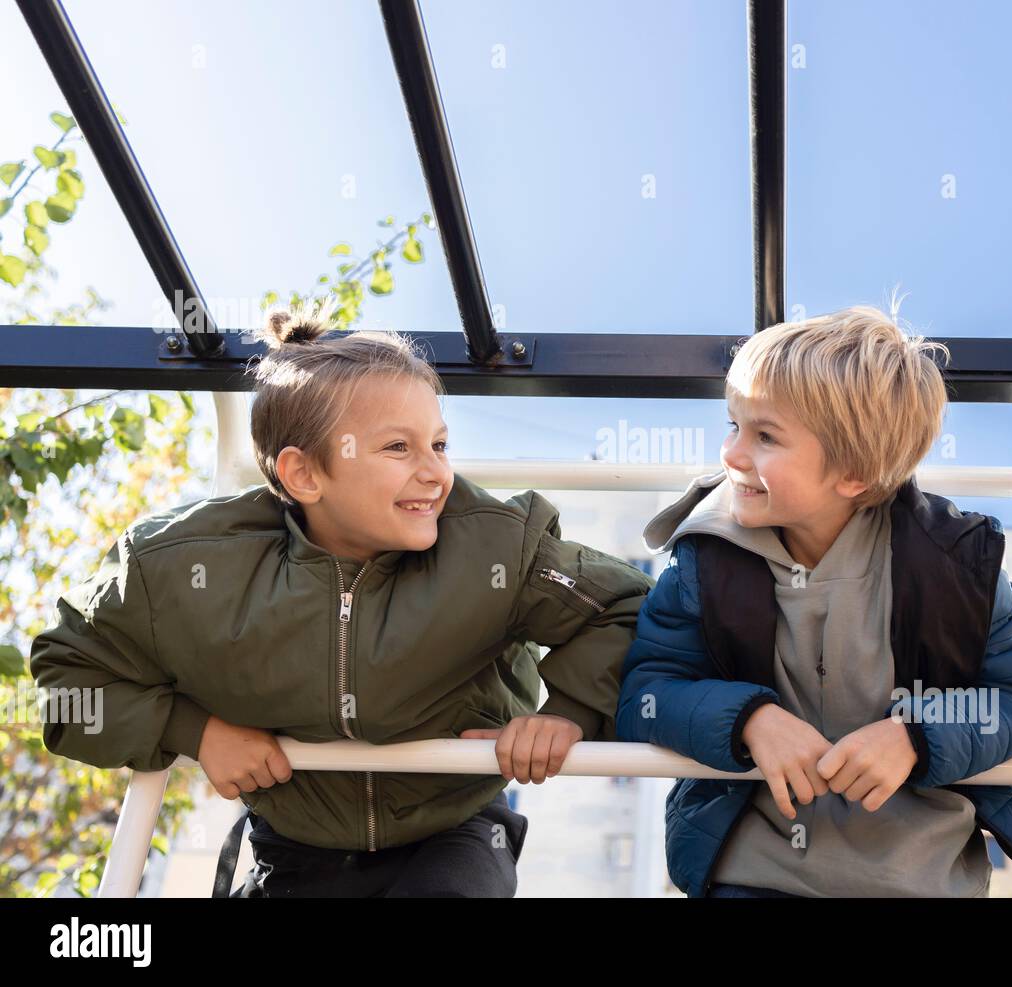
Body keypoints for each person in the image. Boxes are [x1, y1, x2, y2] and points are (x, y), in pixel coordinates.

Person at [29, 299, 654, 897]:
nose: (437, 472)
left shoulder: (496, 546)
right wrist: (195, 732)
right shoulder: (182, 567)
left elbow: (626, 606)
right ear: (304, 475)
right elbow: (68, 685)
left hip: (454, 831)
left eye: (438, 444)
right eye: (397, 448)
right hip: (295, 841)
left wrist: (568, 712)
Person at [616, 304, 1012, 898]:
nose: (733, 455)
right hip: (753, 876)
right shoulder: (704, 562)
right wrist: (748, 719)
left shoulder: (960, 568)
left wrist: (917, 735)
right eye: (733, 425)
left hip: (924, 880)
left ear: (853, 472)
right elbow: (646, 693)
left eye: (765, 436)